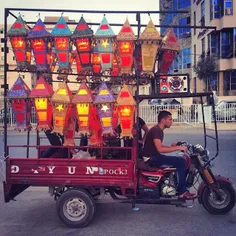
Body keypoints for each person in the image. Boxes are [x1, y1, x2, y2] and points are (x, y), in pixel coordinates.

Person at [143, 110, 197, 200]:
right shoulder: (156, 130)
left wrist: (173, 146)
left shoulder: (158, 130)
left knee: (182, 159)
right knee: (180, 161)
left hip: (155, 156)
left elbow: (158, 146)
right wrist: (178, 148)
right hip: (151, 158)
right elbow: (160, 149)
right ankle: (182, 192)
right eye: (170, 119)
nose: (172, 121)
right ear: (163, 120)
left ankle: (180, 187)